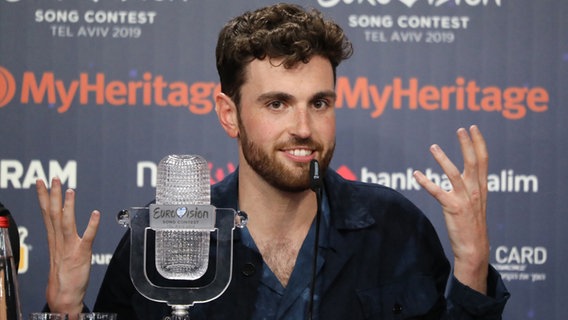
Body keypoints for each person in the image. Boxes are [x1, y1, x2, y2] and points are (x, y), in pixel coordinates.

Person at [36, 3, 509, 319]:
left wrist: (470, 266)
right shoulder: (164, 242)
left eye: (319, 103)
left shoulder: (395, 228)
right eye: (277, 104)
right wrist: (63, 311)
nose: (304, 127)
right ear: (229, 114)